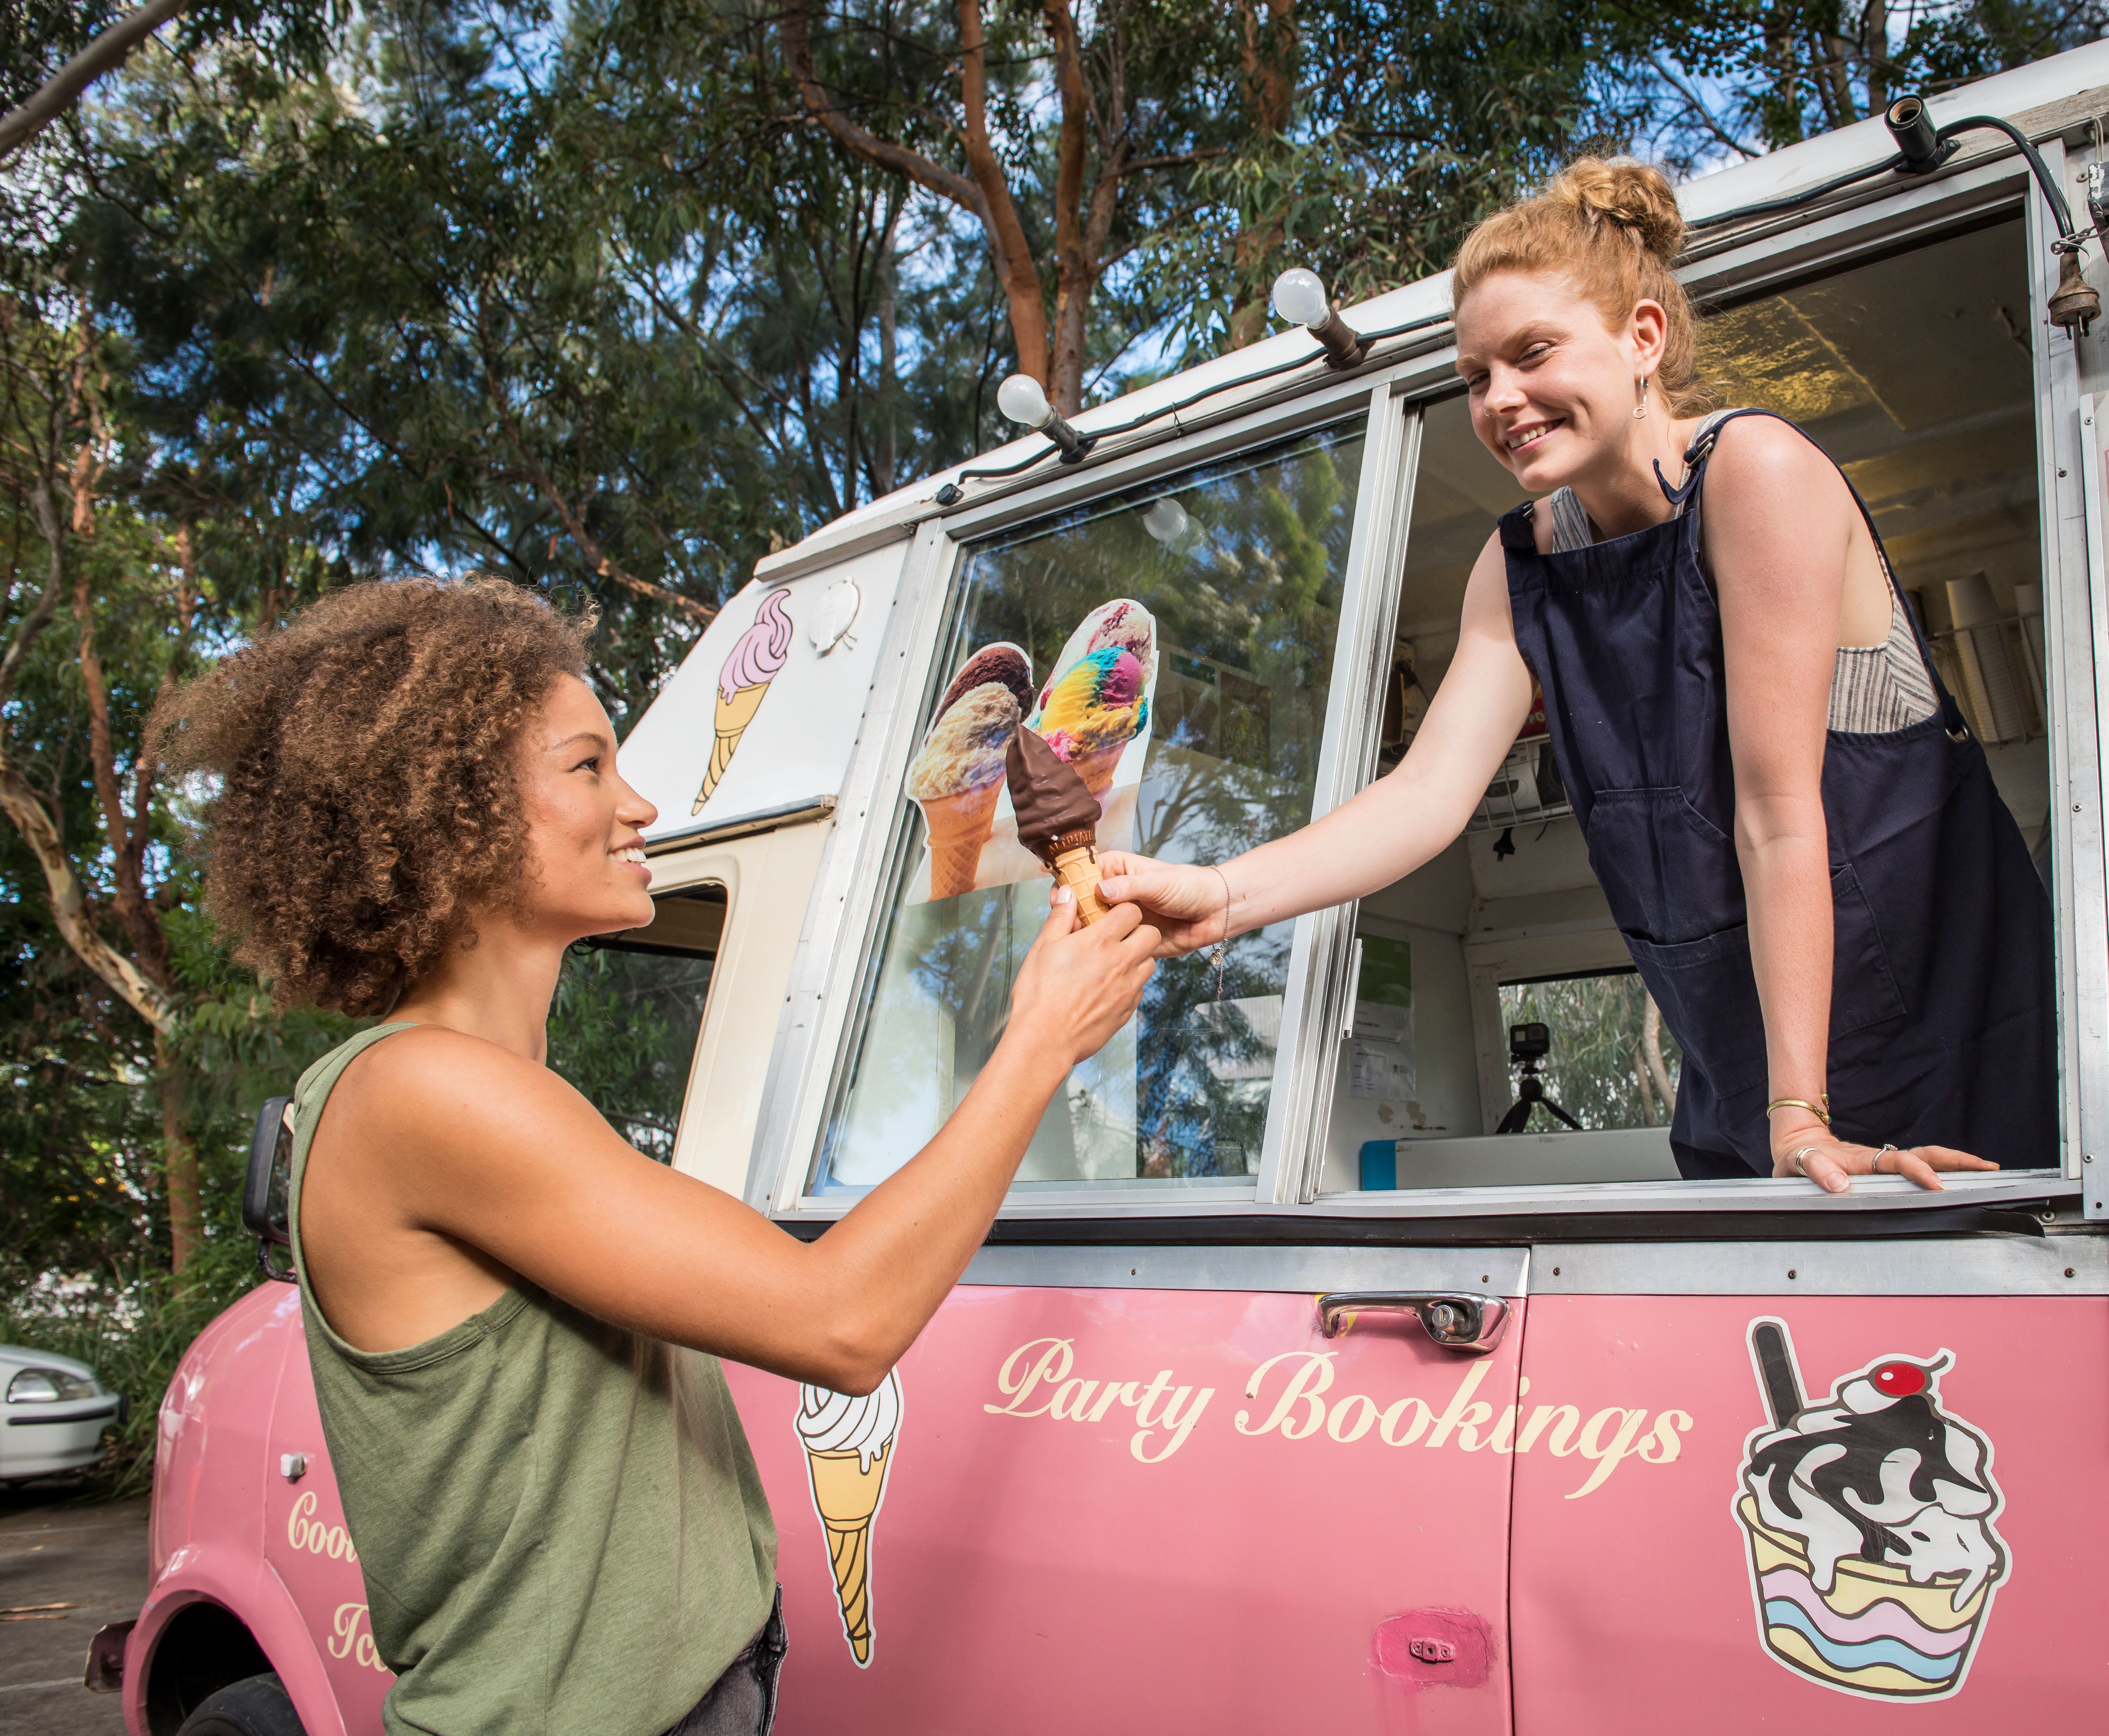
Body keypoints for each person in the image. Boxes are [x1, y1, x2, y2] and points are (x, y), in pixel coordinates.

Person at [151, 578, 1157, 1736]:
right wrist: (1041, 1041)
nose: (641, 807)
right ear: (451, 817)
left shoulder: (490, 1092)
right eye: (588, 768)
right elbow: (841, 1322)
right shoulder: (422, 1094)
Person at [1099, 157, 2055, 1192]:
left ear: (1641, 338)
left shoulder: (1755, 474)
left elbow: (1778, 816)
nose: (1499, 399)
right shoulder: (1515, 566)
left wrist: (1799, 1117)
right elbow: (1423, 797)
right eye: (1474, 376)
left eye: (1531, 353)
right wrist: (1220, 893)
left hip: (1934, 1048)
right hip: (1745, 1083)